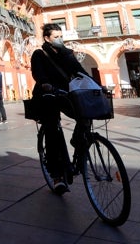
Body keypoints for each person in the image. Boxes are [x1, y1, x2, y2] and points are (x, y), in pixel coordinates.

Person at [30, 23, 90, 195]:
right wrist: (46, 84)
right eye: (56, 37)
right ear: (47, 38)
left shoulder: (66, 53)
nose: (59, 39)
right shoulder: (39, 54)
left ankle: (77, 140)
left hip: (66, 93)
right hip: (47, 95)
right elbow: (38, 73)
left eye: (60, 36)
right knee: (52, 129)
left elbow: (80, 71)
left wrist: (96, 85)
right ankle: (57, 176)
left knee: (85, 116)